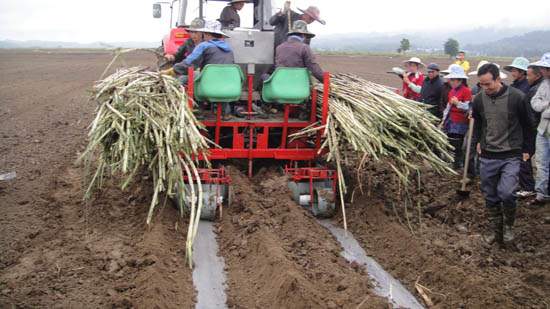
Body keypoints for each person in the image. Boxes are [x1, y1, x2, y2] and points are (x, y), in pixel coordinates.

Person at [471, 63, 534, 245]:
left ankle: (509, 228)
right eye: (482, 85)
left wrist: (528, 150)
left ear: (498, 79)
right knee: (490, 195)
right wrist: (477, 143)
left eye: (488, 84)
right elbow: (478, 124)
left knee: (506, 193)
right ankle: (495, 233)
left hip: (511, 154)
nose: (485, 88)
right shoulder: (479, 100)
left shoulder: (517, 98)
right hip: (488, 154)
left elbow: (529, 125)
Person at [160, 21, 235, 120]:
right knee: (218, 77)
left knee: (194, 79)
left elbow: (189, 63)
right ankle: (225, 112)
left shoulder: (204, 45)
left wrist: (172, 70)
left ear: (206, 34)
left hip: (208, 85)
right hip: (228, 86)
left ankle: (198, 109)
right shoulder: (229, 48)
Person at [516, 63, 546, 198]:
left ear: (538, 75)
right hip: (537, 128)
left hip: (535, 129)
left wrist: (528, 130)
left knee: (525, 155)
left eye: (529, 75)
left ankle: (528, 186)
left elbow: (534, 113)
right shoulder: (536, 87)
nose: (527, 78)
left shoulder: (537, 89)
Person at [527, 52, 550, 205]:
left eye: (543, 68)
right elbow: (535, 102)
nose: (541, 71)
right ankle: (542, 194)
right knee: (541, 162)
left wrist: (545, 109)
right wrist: (546, 107)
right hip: (543, 129)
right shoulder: (545, 84)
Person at [440, 64, 471, 170]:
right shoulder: (452, 91)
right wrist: (444, 120)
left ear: (460, 80)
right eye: (451, 79)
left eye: (453, 80)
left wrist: (458, 104)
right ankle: (448, 163)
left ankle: (457, 166)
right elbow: (448, 107)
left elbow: (468, 107)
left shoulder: (466, 91)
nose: (451, 82)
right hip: (451, 121)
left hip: (460, 122)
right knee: (449, 142)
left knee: (457, 145)